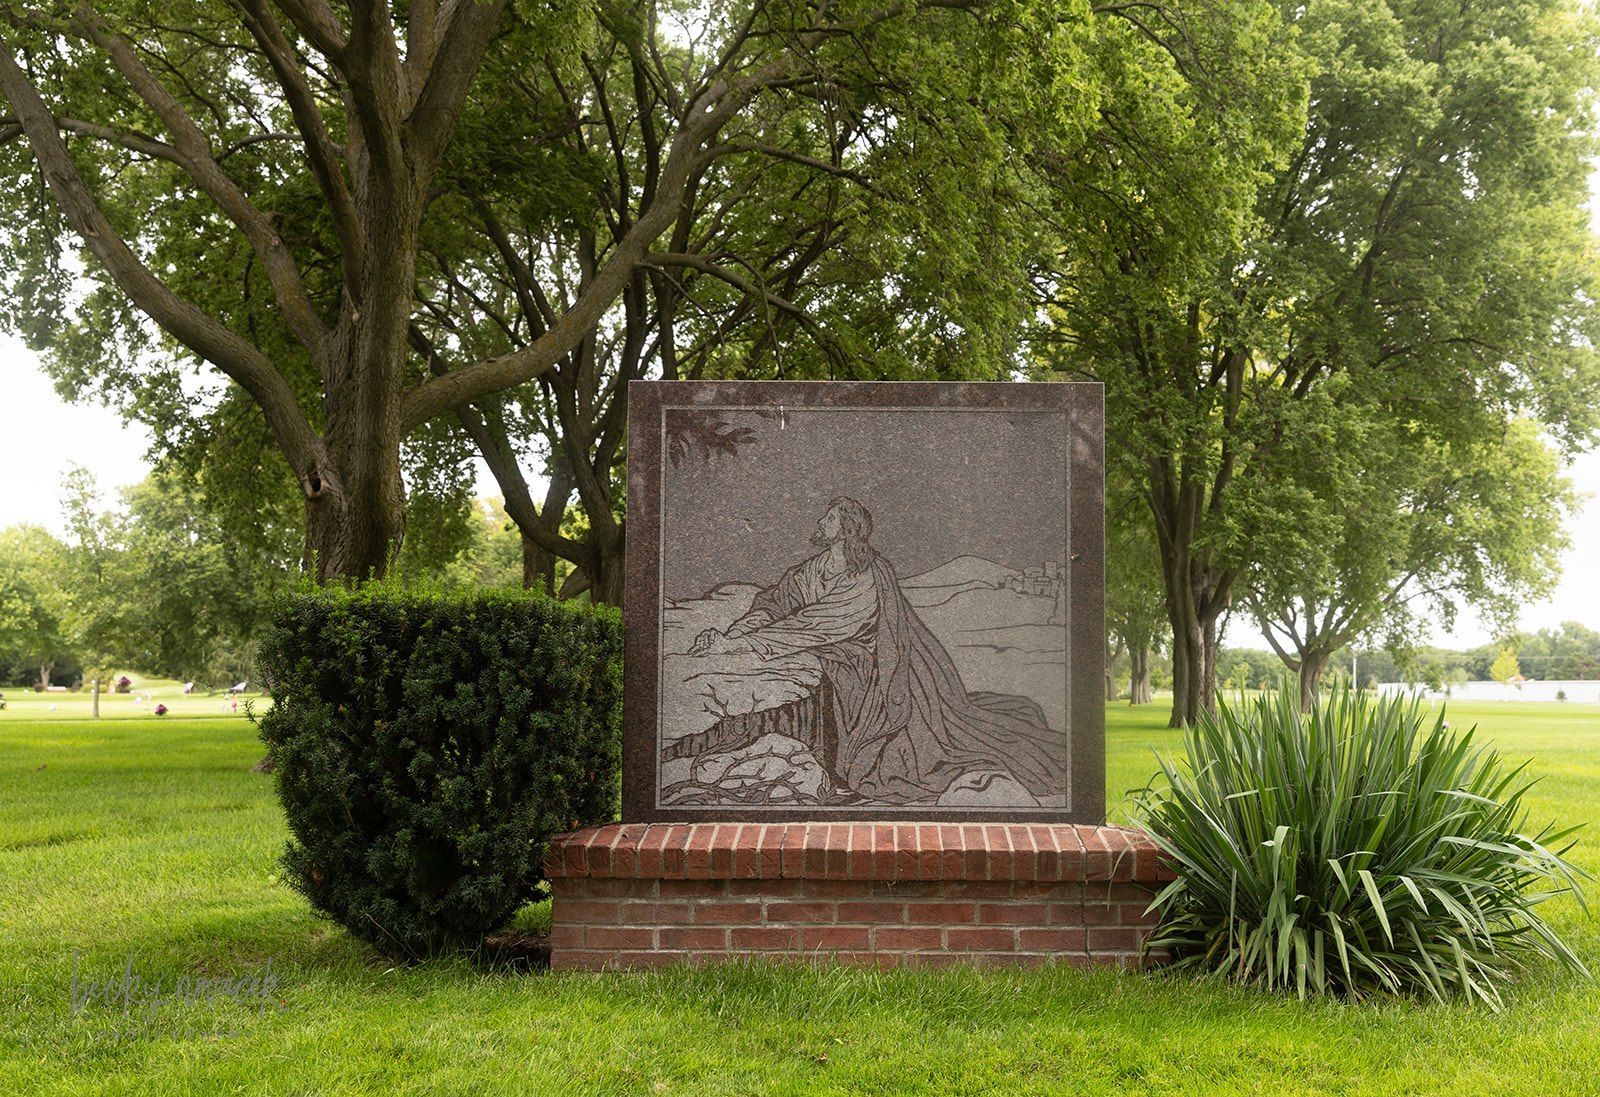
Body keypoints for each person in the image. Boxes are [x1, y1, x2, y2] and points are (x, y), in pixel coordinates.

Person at [689, 497, 1064, 804]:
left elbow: (825, 622)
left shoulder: (867, 571)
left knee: (884, 730)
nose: (821, 522)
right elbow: (775, 603)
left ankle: (841, 770)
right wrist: (734, 632)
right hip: (837, 650)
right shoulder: (813, 568)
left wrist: (743, 643)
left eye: (829, 518)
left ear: (846, 529)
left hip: (873, 660)